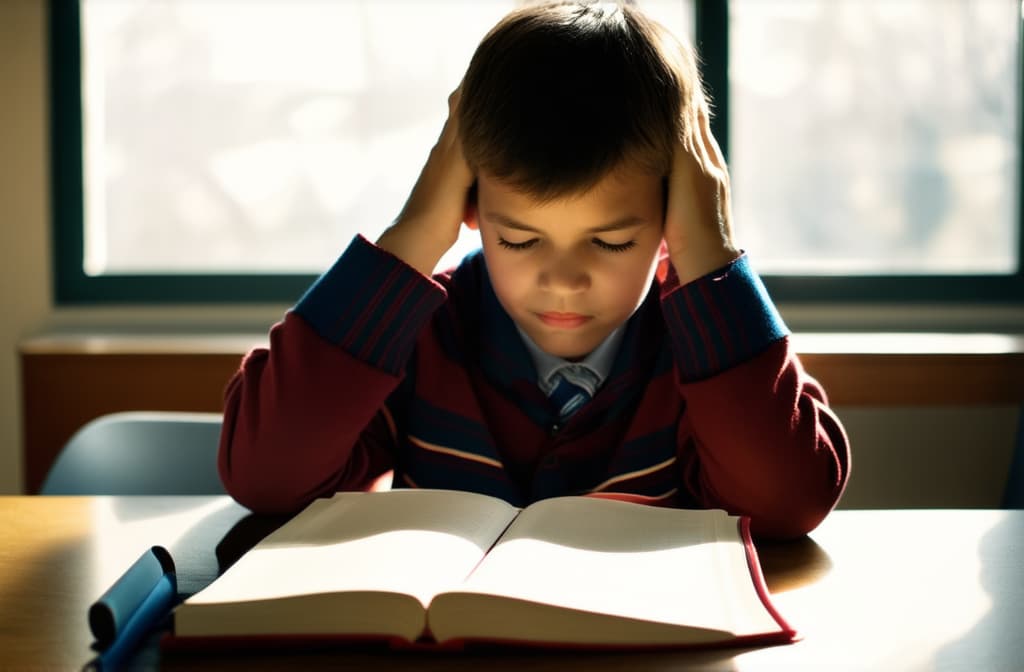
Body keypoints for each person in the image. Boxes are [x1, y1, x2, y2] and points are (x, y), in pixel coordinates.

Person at [218, 1, 850, 539]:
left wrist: (711, 254)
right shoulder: (413, 333)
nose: (564, 282)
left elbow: (788, 500)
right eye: (519, 240)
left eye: (609, 243)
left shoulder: (705, 349)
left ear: (670, 221)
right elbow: (266, 475)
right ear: (468, 203)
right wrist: (414, 232)